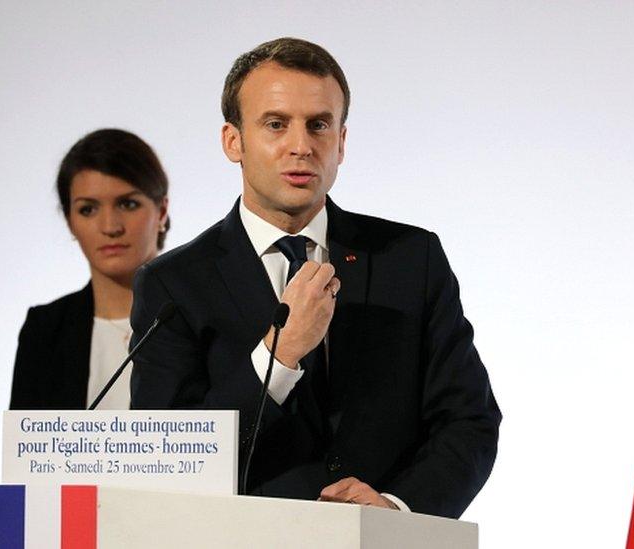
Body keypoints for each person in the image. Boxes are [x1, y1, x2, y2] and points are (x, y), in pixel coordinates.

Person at [130, 38, 501, 519]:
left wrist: (394, 507)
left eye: (319, 125)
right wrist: (277, 358)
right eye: (276, 124)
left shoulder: (411, 258)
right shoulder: (173, 284)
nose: (301, 146)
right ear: (233, 141)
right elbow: (167, 460)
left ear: (341, 143)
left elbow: (467, 419)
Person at [9, 129, 170, 410]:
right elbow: (26, 450)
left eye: (128, 204)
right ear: (69, 221)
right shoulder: (45, 329)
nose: (110, 227)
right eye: (88, 209)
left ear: (161, 212)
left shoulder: (205, 315)